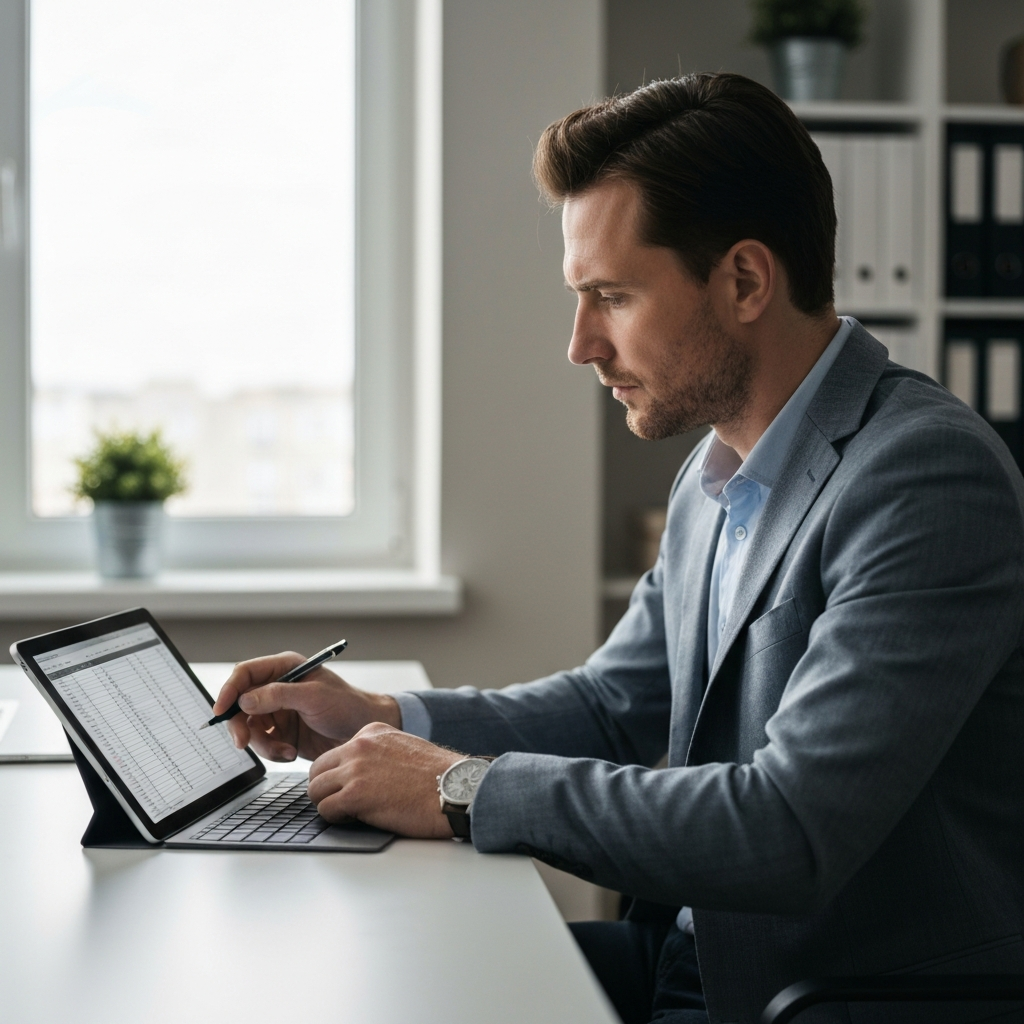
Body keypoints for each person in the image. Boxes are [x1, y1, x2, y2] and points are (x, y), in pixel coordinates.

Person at [214, 73, 1024, 1024]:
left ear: (746, 280)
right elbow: (614, 709)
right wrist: (379, 715)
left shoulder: (924, 477)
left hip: (816, 999)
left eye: (613, 295)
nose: (580, 344)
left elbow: (792, 826)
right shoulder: (721, 469)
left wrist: (462, 788)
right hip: (690, 955)